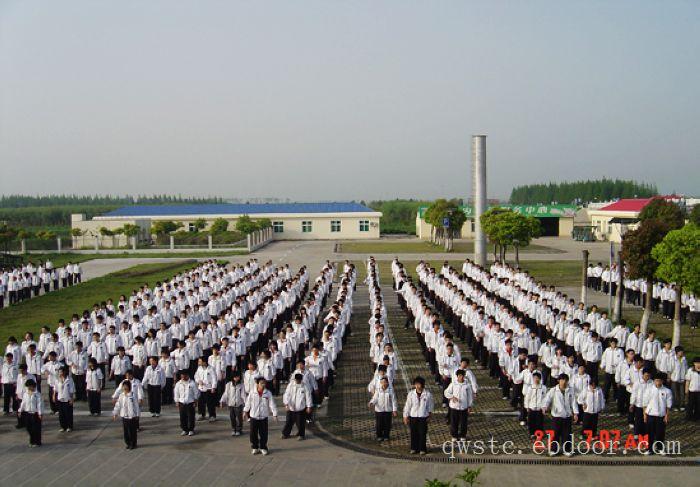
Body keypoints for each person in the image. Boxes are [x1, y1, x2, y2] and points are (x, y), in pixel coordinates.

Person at [542, 373, 578, 456]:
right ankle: (554, 450)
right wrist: (545, 407)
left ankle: (567, 450)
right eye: (562, 380)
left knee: (567, 434)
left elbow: (573, 402)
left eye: (566, 380)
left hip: (567, 416)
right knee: (555, 434)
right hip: (556, 416)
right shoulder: (553, 390)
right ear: (558, 381)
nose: (564, 382)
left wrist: (575, 413)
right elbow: (547, 399)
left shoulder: (571, 390)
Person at [243, 378, 278, 455]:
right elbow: (248, 403)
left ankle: (263, 447)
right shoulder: (252, 392)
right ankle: (255, 447)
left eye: (264, 383)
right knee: (253, 433)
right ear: (257, 384)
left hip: (263, 417)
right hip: (254, 416)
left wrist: (274, 414)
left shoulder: (268, 393)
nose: (263, 385)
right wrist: (245, 411)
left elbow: (272, 404)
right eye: (261, 383)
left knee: (263, 434)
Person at [642, 373, 673, 455]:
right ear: (654, 381)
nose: (658, 382)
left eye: (659, 381)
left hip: (661, 415)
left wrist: (667, 416)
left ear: (662, 381)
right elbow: (645, 403)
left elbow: (668, 405)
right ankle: (649, 449)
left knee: (660, 433)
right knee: (649, 433)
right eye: (656, 381)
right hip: (651, 415)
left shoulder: (667, 391)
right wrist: (645, 415)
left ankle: (660, 448)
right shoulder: (649, 390)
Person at [403, 376, 434, 455]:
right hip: (413, 416)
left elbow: (430, 406)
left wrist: (430, 416)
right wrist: (405, 416)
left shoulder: (428, 394)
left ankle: (422, 449)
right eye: (416, 384)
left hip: (423, 417)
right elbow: (408, 405)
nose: (417, 386)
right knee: (413, 433)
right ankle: (413, 448)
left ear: (422, 385)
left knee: (422, 433)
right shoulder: (411, 394)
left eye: (419, 384)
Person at [443, 369, 474, 441]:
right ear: (457, 376)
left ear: (464, 376)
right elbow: (446, 392)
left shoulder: (468, 385)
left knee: (463, 422)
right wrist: (452, 397)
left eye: (462, 375)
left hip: (464, 407)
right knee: (454, 422)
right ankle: (454, 435)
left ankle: (463, 435)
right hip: (454, 407)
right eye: (459, 376)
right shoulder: (453, 384)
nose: (461, 377)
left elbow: (470, 397)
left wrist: (470, 406)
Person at [281, 373, 313, 440]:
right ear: (295, 379)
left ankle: (301, 435)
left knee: (300, 423)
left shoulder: (305, 386)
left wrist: (309, 406)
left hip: (300, 408)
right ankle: (285, 434)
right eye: (297, 380)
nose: (298, 381)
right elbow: (286, 394)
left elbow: (308, 397)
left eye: (299, 380)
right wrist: (286, 404)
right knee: (288, 422)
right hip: (291, 407)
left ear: (301, 379)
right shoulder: (291, 385)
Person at [112, 379, 140, 449]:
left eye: (126, 386)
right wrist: (115, 413)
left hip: (132, 416)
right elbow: (118, 405)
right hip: (124, 416)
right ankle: (128, 443)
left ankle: (133, 444)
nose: (125, 387)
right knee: (126, 431)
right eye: (124, 386)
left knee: (132, 431)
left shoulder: (132, 395)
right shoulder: (121, 395)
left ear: (129, 387)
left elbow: (136, 406)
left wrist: (137, 415)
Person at [368, 376, 397, 442]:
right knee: (379, 424)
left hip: (388, 410)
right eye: (382, 382)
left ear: (387, 383)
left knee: (387, 424)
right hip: (379, 410)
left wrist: (394, 410)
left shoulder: (390, 391)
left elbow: (393, 400)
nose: (383, 383)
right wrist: (371, 403)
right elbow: (375, 398)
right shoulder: (378, 390)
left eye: (385, 382)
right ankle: (379, 436)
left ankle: (386, 436)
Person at [17, 379, 42, 447]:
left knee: (35, 428)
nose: (28, 388)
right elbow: (23, 403)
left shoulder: (37, 394)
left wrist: (40, 413)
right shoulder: (25, 394)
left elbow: (39, 404)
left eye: (29, 386)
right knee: (28, 427)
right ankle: (32, 440)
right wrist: (20, 411)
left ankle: (35, 442)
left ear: (32, 386)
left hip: (35, 413)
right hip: (27, 413)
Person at [220, 372, 246, 436]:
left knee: (239, 418)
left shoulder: (242, 385)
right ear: (232, 377)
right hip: (231, 404)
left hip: (239, 404)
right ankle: (233, 429)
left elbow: (243, 395)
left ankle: (239, 429)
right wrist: (222, 401)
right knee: (232, 418)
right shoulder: (228, 385)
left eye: (238, 377)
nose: (237, 378)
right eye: (235, 377)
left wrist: (246, 403)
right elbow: (226, 394)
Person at [174, 371, 198, 436]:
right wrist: (176, 401)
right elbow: (176, 393)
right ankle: (184, 429)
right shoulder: (178, 384)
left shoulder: (192, 383)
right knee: (182, 417)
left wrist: (195, 401)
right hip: (182, 403)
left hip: (190, 402)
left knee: (191, 417)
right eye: (181, 376)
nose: (183, 377)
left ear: (187, 376)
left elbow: (196, 393)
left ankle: (191, 430)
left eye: (184, 376)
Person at [524, 371, 546, 438]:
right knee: (531, 422)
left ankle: (539, 434)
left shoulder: (543, 387)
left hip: (539, 408)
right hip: (532, 407)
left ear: (540, 379)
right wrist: (527, 406)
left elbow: (545, 398)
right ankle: (532, 433)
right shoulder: (530, 387)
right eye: (534, 378)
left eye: (537, 378)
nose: (536, 379)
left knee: (539, 422)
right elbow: (527, 398)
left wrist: (544, 407)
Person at [55, 366, 75, 432]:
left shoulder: (70, 379)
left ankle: (69, 426)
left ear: (64, 372)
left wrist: (71, 399)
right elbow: (55, 389)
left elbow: (71, 390)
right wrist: (53, 396)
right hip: (60, 398)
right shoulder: (57, 379)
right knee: (61, 414)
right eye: (59, 372)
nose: (60, 373)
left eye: (61, 371)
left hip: (67, 399)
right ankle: (63, 427)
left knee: (68, 414)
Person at [685, 357, 700, 421]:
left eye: (699, 363)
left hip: (699, 391)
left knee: (698, 405)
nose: (698, 364)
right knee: (690, 405)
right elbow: (688, 381)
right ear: (694, 363)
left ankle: (697, 416)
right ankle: (689, 417)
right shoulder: (690, 370)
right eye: (696, 363)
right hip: (692, 391)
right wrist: (686, 390)